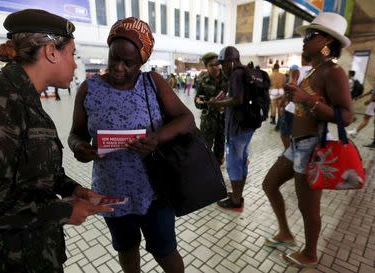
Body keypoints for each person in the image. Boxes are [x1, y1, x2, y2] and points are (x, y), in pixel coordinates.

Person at [0, 9, 113, 273]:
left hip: (37, 255)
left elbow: (34, 172)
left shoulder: (26, 99)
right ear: (51, 51)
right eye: (72, 54)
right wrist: (63, 212)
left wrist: (73, 190)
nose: (76, 63)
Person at [68, 17, 193, 273]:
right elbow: (75, 134)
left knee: (165, 250)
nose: (118, 68)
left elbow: (186, 119)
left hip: (155, 190)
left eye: (129, 63)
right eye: (114, 58)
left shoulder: (152, 83)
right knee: (125, 248)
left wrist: (157, 138)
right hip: (112, 193)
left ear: (142, 62)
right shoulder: (88, 89)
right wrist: (80, 148)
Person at [262, 12, 353, 268]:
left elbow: (346, 116)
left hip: (313, 146)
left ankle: (311, 253)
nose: (305, 40)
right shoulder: (315, 70)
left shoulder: (333, 72)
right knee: (269, 184)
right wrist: (296, 99)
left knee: (307, 206)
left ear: (326, 41)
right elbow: (309, 105)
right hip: (297, 144)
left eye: (310, 35)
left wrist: (306, 99)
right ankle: (286, 233)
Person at [211, 46, 253, 212]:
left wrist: (217, 103)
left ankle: (235, 201)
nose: (222, 67)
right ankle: (238, 194)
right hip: (246, 127)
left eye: (223, 63)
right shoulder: (245, 72)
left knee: (233, 164)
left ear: (231, 61)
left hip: (236, 129)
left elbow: (237, 100)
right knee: (242, 161)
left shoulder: (236, 73)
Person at [194, 52, 228, 165]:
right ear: (206, 67)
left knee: (220, 147)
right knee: (205, 147)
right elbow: (197, 100)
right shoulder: (202, 80)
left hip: (224, 120)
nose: (215, 67)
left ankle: (218, 165)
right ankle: (206, 168)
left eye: (217, 64)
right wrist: (208, 103)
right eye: (211, 65)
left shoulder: (227, 78)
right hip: (208, 121)